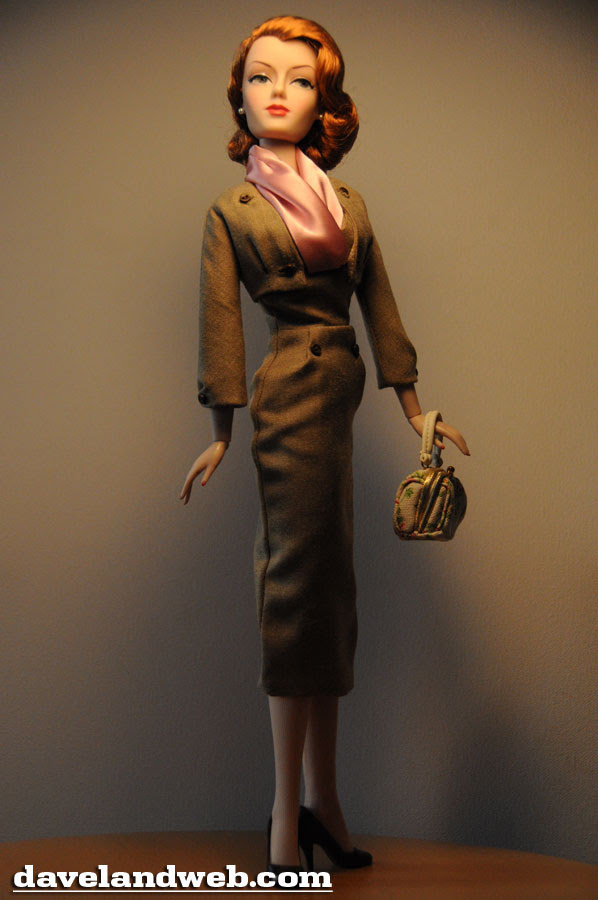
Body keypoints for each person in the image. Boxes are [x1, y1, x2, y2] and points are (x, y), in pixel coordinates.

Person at [180, 15, 470, 883]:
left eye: (299, 79)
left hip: (338, 392)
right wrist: (221, 430)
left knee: (331, 595)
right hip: (284, 401)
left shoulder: (348, 204)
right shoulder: (232, 210)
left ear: (324, 101)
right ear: (239, 97)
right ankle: (286, 812)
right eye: (261, 76)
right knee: (293, 590)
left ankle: (324, 803)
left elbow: (381, 306)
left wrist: (415, 408)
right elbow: (221, 323)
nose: (278, 91)